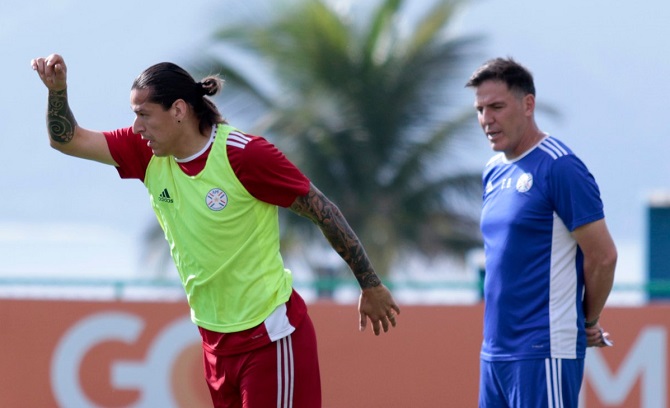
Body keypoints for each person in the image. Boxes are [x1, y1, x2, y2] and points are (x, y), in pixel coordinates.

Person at [32, 53, 400, 408]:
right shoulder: (145, 152)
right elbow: (67, 139)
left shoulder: (244, 155)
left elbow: (323, 210)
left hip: (271, 339)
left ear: (179, 110)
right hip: (216, 346)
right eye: (134, 115)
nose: (136, 127)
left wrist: (369, 283)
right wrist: (57, 91)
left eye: (144, 114)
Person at [465, 58, 617, 408]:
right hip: (495, 355)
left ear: (528, 104)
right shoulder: (493, 170)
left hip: (543, 351)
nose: (487, 119)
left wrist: (588, 320)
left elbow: (604, 257)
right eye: (480, 110)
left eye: (497, 107)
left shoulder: (560, 167)